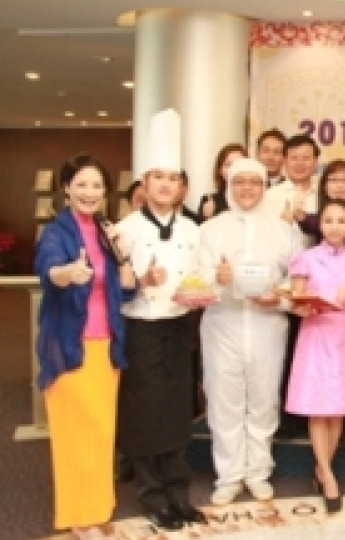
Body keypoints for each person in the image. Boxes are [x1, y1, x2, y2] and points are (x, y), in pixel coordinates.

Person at [35, 154, 137, 540]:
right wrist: (68, 273)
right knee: (74, 433)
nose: (89, 192)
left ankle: (97, 508)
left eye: (96, 185)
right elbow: (49, 271)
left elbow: (125, 288)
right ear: (66, 188)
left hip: (106, 345)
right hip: (69, 346)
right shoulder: (57, 232)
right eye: (81, 184)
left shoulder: (106, 231)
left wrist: (125, 258)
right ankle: (79, 516)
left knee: (101, 431)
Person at [114, 108, 206, 531]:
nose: (166, 185)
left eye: (173, 178)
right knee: (146, 414)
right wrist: (141, 282)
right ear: (144, 183)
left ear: (181, 186)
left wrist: (209, 285)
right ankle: (152, 496)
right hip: (142, 329)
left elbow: (200, 276)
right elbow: (113, 287)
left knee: (176, 414)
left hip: (179, 327)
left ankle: (178, 494)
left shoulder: (192, 229)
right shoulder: (124, 230)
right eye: (158, 177)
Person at [197, 157, 302, 506]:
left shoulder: (284, 230)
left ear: (264, 187)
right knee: (223, 399)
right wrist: (217, 278)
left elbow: (298, 278)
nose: (247, 188)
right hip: (222, 323)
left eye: (254, 182)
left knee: (263, 399)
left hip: (267, 324)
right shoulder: (211, 229)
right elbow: (195, 278)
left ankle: (258, 472)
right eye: (240, 181)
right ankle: (228, 476)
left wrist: (279, 297)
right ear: (229, 185)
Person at [286, 199, 345, 513]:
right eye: (328, 220)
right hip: (315, 334)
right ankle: (329, 475)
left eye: (341, 221)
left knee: (338, 410)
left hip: (344, 335)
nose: (334, 227)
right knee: (318, 409)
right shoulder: (304, 258)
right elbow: (295, 301)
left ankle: (322, 469)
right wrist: (303, 306)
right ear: (320, 225)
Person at [264, 134, 321, 440]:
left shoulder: (323, 194)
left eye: (306, 158)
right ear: (285, 161)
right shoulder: (271, 196)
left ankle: (314, 413)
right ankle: (287, 417)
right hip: (286, 284)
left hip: (320, 284)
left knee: (314, 352)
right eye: (294, 158)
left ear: (316, 162)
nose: (300, 164)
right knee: (285, 352)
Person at [198, 143, 247, 222]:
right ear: (220, 170)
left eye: (238, 164)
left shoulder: (255, 198)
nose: (233, 169)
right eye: (228, 165)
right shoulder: (210, 200)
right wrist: (208, 218)